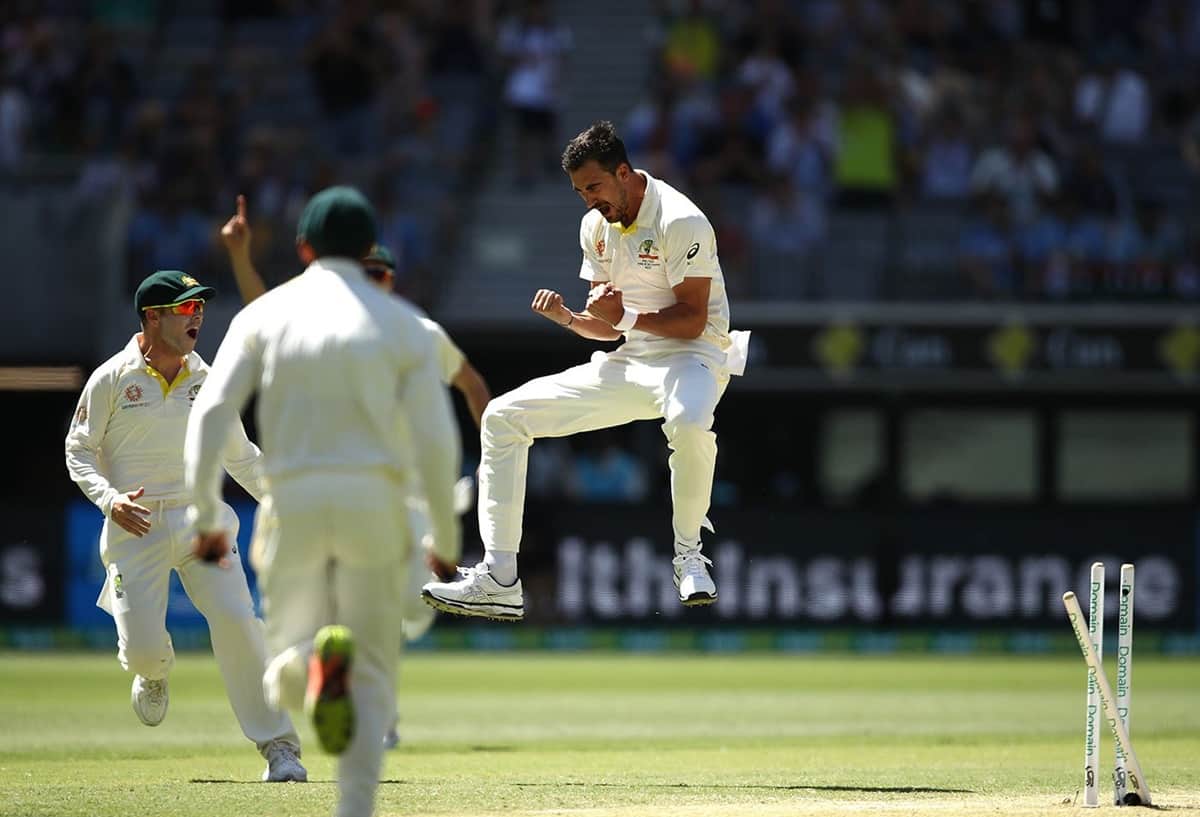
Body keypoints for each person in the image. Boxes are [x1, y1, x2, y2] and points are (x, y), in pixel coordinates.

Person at [185, 186, 461, 817]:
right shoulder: (404, 324)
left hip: (293, 501)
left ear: (303, 247)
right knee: (374, 668)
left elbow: (211, 414)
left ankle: (306, 664)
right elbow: (436, 443)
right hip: (375, 503)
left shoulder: (266, 315)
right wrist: (445, 540)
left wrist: (204, 515)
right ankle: (354, 807)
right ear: (368, 251)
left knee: (284, 660)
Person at [422, 120, 749, 621]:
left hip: (696, 357)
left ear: (624, 173)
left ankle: (689, 556)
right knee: (502, 418)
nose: (589, 201)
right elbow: (607, 325)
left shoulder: (681, 219)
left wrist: (626, 317)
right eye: (579, 192)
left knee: (687, 421)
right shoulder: (595, 228)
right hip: (632, 361)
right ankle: (500, 579)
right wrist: (571, 319)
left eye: (594, 187)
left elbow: (692, 320)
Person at [64, 270, 306, 783]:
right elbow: (78, 449)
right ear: (152, 317)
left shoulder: (209, 379)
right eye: (186, 308)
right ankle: (153, 671)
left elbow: (241, 458)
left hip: (202, 523)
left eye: (200, 307)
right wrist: (109, 500)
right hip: (134, 526)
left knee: (238, 620)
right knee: (143, 651)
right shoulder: (112, 377)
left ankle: (280, 747)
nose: (198, 316)